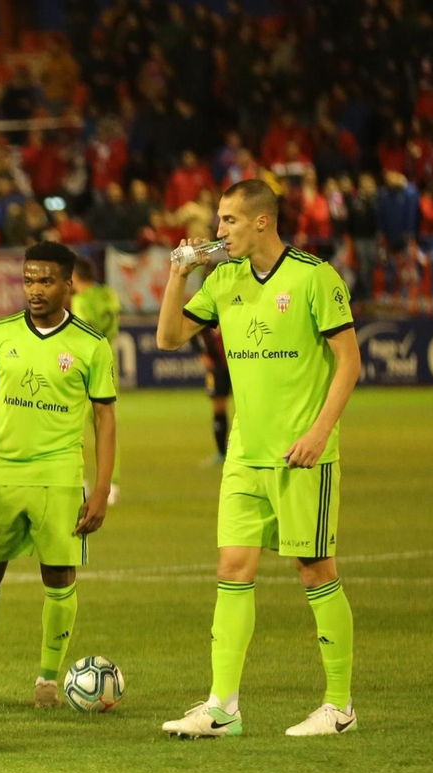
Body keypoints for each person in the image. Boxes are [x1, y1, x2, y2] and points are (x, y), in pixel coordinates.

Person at [155, 178, 362, 738]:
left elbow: (349, 362)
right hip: (244, 456)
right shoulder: (224, 280)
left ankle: (339, 706)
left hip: (302, 455)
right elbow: (168, 337)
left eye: (228, 221)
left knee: (315, 569)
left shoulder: (314, 277)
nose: (217, 231)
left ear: (261, 222)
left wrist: (321, 432)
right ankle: (223, 706)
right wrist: (178, 274)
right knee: (232, 569)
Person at [0, 241, 117, 709]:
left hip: (61, 477)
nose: (35, 289)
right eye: (29, 279)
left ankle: (48, 681)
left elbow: (105, 418)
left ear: (69, 284)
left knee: (59, 576)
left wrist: (102, 487)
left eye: (46, 280)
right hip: (4, 475)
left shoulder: (91, 344)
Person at [71, 256, 123, 504]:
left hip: (86, 369)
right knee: (107, 427)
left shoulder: (80, 301)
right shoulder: (108, 295)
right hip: (109, 365)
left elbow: (82, 332)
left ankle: (79, 482)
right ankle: (112, 485)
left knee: (74, 429)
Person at [196, 325, 232, 463]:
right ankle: (221, 452)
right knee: (218, 408)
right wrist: (202, 353)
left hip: (238, 362)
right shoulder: (207, 315)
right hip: (217, 368)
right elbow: (193, 332)